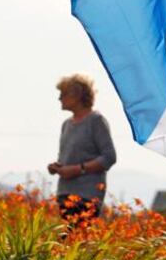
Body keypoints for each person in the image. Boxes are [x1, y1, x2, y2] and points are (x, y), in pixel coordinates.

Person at [48, 74, 117, 223]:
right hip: (65, 193)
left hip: (87, 195)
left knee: (77, 240)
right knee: (67, 242)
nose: (60, 99)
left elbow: (109, 157)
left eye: (63, 94)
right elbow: (65, 157)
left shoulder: (96, 121)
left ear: (76, 95)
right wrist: (57, 167)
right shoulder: (66, 125)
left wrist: (78, 169)